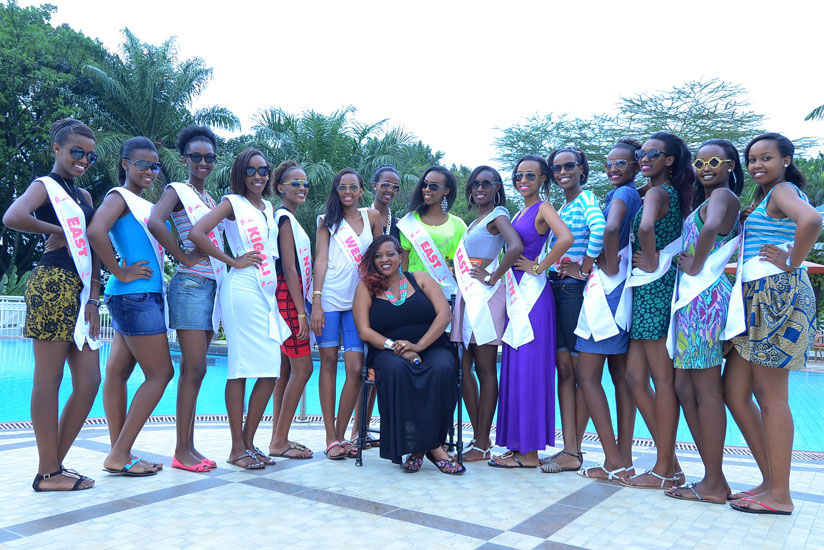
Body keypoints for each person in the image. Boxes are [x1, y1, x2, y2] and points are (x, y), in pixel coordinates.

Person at [724, 133, 820, 515]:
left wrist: (793, 259)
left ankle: (780, 495)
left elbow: (811, 220)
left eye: (766, 157)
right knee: (735, 391)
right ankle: (769, 481)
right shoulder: (767, 197)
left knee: (771, 396)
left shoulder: (783, 190)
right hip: (755, 296)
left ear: (785, 160)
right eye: (752, 159)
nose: (757, 164)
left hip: (775, 294)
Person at [3, 118, 101, 491]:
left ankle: (53, 465)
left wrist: (93, 296)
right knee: (49, 378)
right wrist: (58, 231)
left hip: (80, 290)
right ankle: (48, 473)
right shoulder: (44, 187)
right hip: (53, 284)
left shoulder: (85, 197)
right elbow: (13, 216)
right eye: (76, 152)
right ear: (57, 150)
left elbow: (91, 246)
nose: (83, 160)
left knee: (90, 380)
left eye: (90, 156)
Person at [189, 149, 289, 469]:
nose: (258, 176)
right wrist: (232, 260)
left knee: (270, 368)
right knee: (241, 367)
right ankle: (236, 448)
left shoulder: (269, 206)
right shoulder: (233, 203)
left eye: (264, 170)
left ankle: (248, 442)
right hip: (242, 288)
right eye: (252, 171)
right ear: (241, 174)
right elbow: (197, 233)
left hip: (265, 292)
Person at [87, 137, 174, 476]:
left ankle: (118, 452)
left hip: (139, 295)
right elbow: (96, 231)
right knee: (161, 373)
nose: (150, 170)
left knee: (119, 373)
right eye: (142, 164)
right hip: (134, 295)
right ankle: (120, 453)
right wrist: (120, 269)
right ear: (125, 164)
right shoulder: (118, 197)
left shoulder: (143, 203)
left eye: (154, 166)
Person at [663, 139, 743, 502]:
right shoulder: (710, 198)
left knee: (707, 390)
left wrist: (694, 264)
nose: (705, 167)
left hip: (705, 301)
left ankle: (713, 482)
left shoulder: (723, 198)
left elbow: (710, 229)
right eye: (698, 162)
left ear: (730, 166)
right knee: (683, 387)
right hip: (693, 303)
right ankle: (714, 475)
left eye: (714, 161)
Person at [352, 236, 464, 474]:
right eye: (378, 255)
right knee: (395, 371)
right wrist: (397, 347)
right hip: (388, 351)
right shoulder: (365, 287)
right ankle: (434, 446)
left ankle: (419, 448)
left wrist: (418, 346)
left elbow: (444, 315)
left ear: (400, 257)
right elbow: (364, 330)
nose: (385, 259)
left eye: (390, 254)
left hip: (430, 345)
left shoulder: (420, 278)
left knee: (443, 368)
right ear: (373, 260)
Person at [489, 155, 573, 469]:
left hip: (533, 298)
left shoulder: (543, 208)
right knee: (515, 368)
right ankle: (517, 446)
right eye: (518, 175)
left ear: (542, 180)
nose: (523, 180)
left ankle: (529, 453)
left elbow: (565, 238)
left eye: (530, 176)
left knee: (530, 371)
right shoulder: (521, 211)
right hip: (517, 295)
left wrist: (539, 266)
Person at [148, 124, 222, 471]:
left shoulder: (208, 198)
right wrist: (183, 256)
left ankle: (189, 447)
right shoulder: (177, 190)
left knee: (195, 370)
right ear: (185, 159)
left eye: (209, 157)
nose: (203, 162)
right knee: (194, 368)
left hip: (211, 288)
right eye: (196, 157)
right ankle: (182, 451)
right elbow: (156, 221)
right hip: (191, 286)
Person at [622, 132, 693, 489]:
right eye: (641, 153)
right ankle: (672, 463)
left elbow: (647, 226)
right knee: (636, 378)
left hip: (655, 289)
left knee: (662, 381)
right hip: (651, 291)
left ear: (670, 160)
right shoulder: (673, 193)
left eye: (653, 153)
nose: (644, 158)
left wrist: (649, 262)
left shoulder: (656, 192)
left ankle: (665, 468)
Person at [573, 139, 643, 481]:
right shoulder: (633, 193)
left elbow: (611, 228)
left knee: (587, 376)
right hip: (621, 293)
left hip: (607, 293)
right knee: (620, 379)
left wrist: (609, 263)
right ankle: (624, 458)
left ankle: (614, 461)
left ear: (634, 165)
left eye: (621, 163)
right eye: (609, 163)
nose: (613, 168)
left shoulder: (622, 195)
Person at [452, 166, 523, 462]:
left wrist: (492, 278)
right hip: (469, 297)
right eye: (475, 184)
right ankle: (479, 436)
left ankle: (482, 443)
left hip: (485, 298)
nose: (479, 188)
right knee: (464, 366)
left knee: (484, 369)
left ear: (496, 187)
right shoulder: (477, 220)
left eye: (486, 183)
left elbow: (516, 246)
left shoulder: (498, 214)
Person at [540, 147, 604, 474]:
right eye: (556, 168)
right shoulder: (566, 205)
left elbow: (601, 229)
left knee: (578, 373)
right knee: (565, 371)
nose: (562, 172)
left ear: (581, 168)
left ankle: (573, 451)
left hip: (573, 291)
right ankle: (570, 448)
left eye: (569, 166)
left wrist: (585, 268)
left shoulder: (586, 200)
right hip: (558, 289)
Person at [311, 169, 382, 459]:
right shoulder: (325, 221)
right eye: (342, 187)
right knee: (327, 365)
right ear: (336, 190)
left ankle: (344, 433)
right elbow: (321, 260)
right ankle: (331, 438)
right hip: (328, 301)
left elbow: (380, 256)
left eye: (353, 187)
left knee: (355, 369)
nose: (348, 192)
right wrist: (316, 301)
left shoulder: (373, 217)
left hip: (358, 304)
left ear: (362, 190)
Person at [350, 164, 404, 447]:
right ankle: (358, 431)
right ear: (373, 185)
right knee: (367, 367)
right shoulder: (361, 216)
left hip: (391, 298)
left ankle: (377, 429)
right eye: (385, 184)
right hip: (366, 294)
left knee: (383, 367)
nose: (390, 190)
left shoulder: (399, 222)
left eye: (395, 186)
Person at [267, 160, 314, 459]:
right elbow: (288, 267)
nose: (302, 187)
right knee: (304, 368)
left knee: (285, 371)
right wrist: (300, 312)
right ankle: (279, 441)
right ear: (281, 187)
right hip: (287, 297)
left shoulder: (287, 218)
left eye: (305, 183)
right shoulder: (284, 218)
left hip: (287, 296)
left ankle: (278, 437)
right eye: (295, 183)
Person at [398, 166, 467, 300]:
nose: (427, 189)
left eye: (433, 186)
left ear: (446, 191)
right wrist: (405, 289)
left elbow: (462, 260)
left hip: (443, 292)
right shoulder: (410, 221)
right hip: (413, 290)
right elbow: (403, 260)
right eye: (425, 184)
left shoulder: (458, 225)